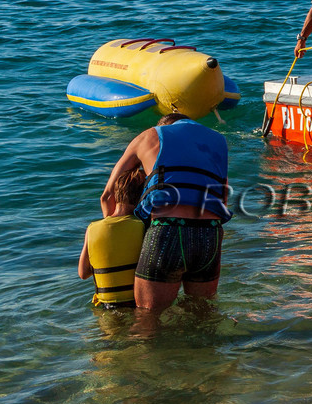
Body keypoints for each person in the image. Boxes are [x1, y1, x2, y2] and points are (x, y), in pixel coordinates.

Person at [101, 112, 231, 312]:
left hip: (168, 232)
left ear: (163, 126)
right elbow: (223, 198)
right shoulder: (219, 140)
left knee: (147, 318)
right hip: (209, 235)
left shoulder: (148, 136)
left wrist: (115, 236)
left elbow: (107, 195)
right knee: (203, 315)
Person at [77, 165, 149, 309]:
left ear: (116, 195)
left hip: (107, 306)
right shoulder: (142, 226)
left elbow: (83, 273)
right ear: (143, 197)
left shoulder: (92, 229)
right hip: (137, 305)